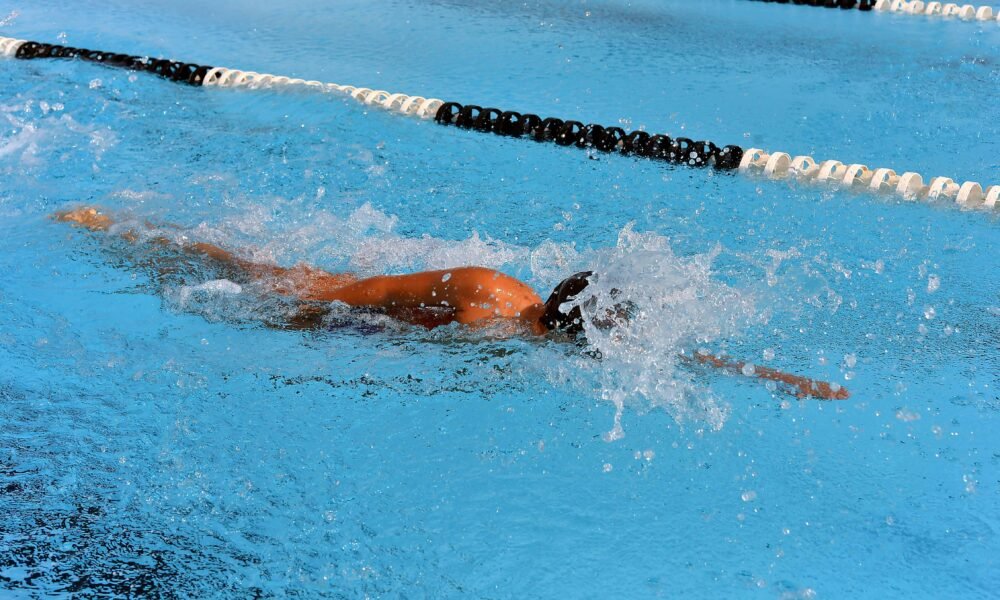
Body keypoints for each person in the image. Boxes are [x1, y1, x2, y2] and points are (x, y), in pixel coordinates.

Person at [55, 206, 850, 400]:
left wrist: (778, 378)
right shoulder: (489, 314)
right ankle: (108, 227)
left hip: (357, 300)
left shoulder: (530, 313)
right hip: (317, 302)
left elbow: (666, 354)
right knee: (224, 269)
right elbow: (396, 349)